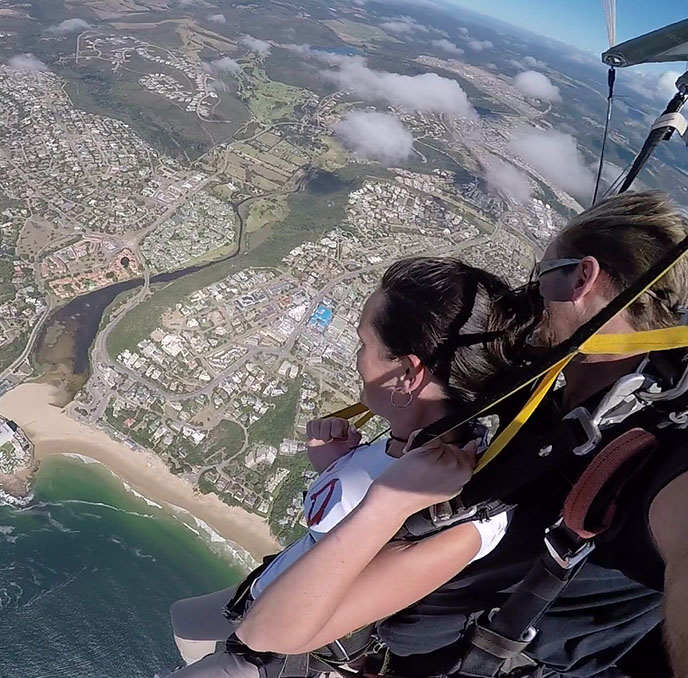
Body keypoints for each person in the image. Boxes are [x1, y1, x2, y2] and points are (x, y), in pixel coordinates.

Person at [253, 191, 688, 678]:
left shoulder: (662, 446)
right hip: (380, 635)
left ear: (581, 278)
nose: (532, 297)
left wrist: (386, 504)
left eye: (543, 275)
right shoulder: (546, 389)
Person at [166, 257, 539, 677]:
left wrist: (387, 505)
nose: (357, 358)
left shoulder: (461, 520)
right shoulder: (413, 444)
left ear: (407, 373)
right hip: (267, 588)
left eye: (364, 344)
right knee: (183, 619)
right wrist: (334, 467)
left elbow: (265, 634)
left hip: (278, 655)